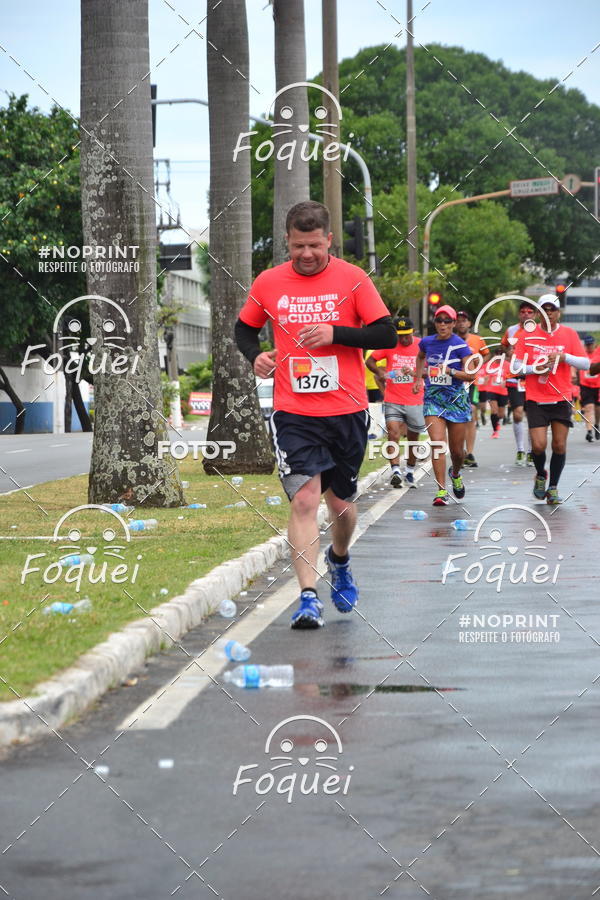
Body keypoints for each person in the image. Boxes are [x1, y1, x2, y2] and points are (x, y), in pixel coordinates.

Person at [235, 200, 396, 629]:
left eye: (314, 246)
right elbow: (244, 328)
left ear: (329, 240)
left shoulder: (353, 278)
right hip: (294, 411)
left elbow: (386, 333)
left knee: (341, 506)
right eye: (297, 246)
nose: (306, 254)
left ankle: (339, 559)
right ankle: (308, 596)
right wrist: (255, 355)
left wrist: (335, 333)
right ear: (286, 241)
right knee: (305, 499)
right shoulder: (269, 282)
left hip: (347, 410)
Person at [513, 293, 590, 505]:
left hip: (561, 396)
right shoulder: (527, 335)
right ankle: (540, 474)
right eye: (544, 309)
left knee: (559, 445)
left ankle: (553, 487)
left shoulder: (569, 334)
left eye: (552, 309)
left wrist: (564, 357)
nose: (548, 313)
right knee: (538, 446)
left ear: (558, 313)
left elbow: (585, 363)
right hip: (536, 397)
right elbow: (516, 366)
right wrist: (535, 368)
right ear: (538, 313)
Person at [413, 305, 475, 506]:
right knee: (438, 443)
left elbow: (471, 375)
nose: (443, 324)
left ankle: (455, 473)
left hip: (456, 400)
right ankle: (441, 491)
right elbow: (420, 357)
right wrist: (418, 378)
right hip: (433, 399)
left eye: (447, 321)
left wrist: (450, 371)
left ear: (454, 323)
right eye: (439, 320)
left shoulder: (460, 345)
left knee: (457, 452)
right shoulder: (427, 342)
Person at [366, 315, 425, 488]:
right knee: (393, 433)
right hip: (393, 398)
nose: (403, 339)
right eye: (400, 336)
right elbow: (370, 361)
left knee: (413, 437)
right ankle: (396, 471)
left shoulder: (422, 346)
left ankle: (410, 471)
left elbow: (430, 370)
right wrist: (380, 373)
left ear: (413, 332)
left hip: (415, 398)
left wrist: (415, 374)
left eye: (406, 335)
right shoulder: (390, 344)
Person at [501, 300, 537, 465]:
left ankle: (531, 451)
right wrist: (508, 352)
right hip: (514, 376)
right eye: (523, 312)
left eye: (530, 312)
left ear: (535, 315)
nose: (526, 315)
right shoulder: (511, 330)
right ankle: (521, 450)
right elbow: (503, 346)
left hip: (533, 377)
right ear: (518, 314)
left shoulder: (539, 331)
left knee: (532, 416)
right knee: (517, 413)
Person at [455, 309, 489, 467]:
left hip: (470, 384)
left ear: (469, 323)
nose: (461, 323)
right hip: (454, 384)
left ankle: (469, 453)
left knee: (471, 413)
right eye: (458, 320)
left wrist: (479, 364)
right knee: (456, 418)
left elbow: (486, 354)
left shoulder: (477, 339)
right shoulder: (450, 339)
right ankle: (458, 452)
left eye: (464, 320)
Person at [482, 347, 509, 438]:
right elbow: (483, 376)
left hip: (503, 391)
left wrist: (506, 381)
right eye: (497, 355)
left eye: (501, 355)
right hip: (491, 390)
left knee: (500, 414)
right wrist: (485, 378)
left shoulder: (507, 365)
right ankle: (495, 431)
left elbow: (512, 377)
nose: (499, 357)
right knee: (494, 410)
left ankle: (498, 421)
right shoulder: (489, 365)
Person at [579, 335, 600, 442]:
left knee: (597, 409)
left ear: (594, 344)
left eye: (590, 344)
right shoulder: (581, 353)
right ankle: (589, 431)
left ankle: (596, 425)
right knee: (589, 408)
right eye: (587, 345)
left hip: (598, 385)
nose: (589, 347)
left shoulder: (598, 352)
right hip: (585, 385)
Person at [364, 350, 386, 439]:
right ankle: (374, 430)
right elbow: (379, 369)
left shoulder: (381, 351)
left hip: (375, 386)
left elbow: (381, 369)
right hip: (371, 385)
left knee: (377, 410)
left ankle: (377, 430)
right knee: (374, 410)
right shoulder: (371, 352)